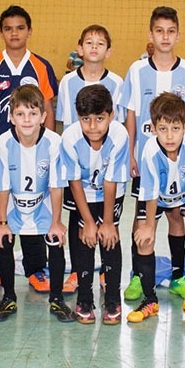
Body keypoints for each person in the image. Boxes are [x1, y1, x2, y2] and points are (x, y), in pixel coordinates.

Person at [0, 5, 59, 296]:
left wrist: (51, 149)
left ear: (29, 31)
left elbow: (48, 108)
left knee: (34, 205)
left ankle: (36, 269)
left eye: (20, 27)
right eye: (8, 28)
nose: (14, 33)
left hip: (36, 151)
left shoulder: (41, 66)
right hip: (0, 153)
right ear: (1, 33)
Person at [119, 6, 185, 303]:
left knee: (176, 216)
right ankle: (139, 278)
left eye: (170, 31)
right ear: (150, 34)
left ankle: (178, 275)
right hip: (147, 161)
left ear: (178, 34)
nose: (165, 37)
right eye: (159, 31)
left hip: (181, 160)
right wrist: (130, 153)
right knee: (142, 220)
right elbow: (129, 113)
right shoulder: (137, 70)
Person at [0, 85, 75, 322]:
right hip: (15, 205)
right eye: (20, 114)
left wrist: (56, 222)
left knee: (55, 238)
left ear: (43, 116)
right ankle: (9, 298)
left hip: (43, 206)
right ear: (11, 116)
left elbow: (56, 186)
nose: (27, 120)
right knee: (2, 237)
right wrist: (2, 222)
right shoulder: (3, 142)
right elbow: (2, 186)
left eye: (33, 113)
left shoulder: (54, 142)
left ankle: (57, 299)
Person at [128, 92, 185, 324]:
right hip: (159, 196)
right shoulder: (149, 151)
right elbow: (151, 192)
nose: (169, 136)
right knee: (144, 239)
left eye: (175, 128)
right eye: (163, 129)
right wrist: (148, 227)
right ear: (153, 128)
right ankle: (149, 300)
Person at [56, 24, 124, 295]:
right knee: (78, 222)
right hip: (77, 161)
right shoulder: (68, 82)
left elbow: (116, 124)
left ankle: (108, 275)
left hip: (106, 158)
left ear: (109, 50)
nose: (94, 47)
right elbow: (63, 122)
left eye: (100, 42)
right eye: (89, 42)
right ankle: (77, 271)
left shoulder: (117, 82)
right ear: (80, 48)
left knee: (108, 222)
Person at [60, 84, 130, 324]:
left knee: (110, 238)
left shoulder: (120, 135)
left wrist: (108, 222)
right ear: (78, 118)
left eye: (99, 119)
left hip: (110, 192)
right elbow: (74, 180)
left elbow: (111, 180)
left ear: (111, 115)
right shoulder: (69, 137)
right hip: (81, 193)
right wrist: (89, 222)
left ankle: (112, 297)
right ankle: (85, 296)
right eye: (85, 119)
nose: (92, 126)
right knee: (84, 238)